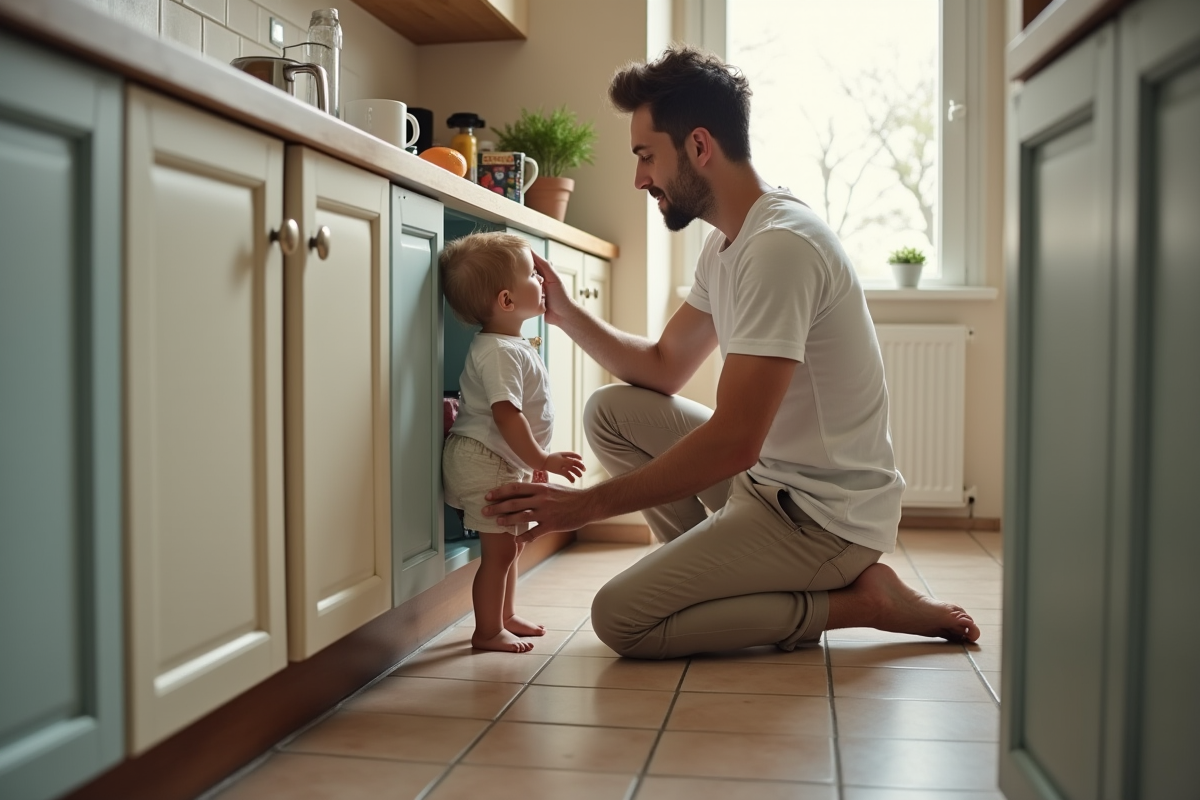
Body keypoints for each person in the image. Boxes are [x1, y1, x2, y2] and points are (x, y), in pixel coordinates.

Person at [480, 46, 980, 658]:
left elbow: (736, 440)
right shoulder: (727, 246)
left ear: (698, 147)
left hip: (821, 519)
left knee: (622, 618)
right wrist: (563, 312)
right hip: (768, 487)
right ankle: (723, 586)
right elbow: (664, 366)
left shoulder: (780, 249)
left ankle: (859, 601)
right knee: (612, 412)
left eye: (646, 156)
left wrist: (587, 505)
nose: (640, 179)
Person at [440, 232, 586, 653]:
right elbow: (507, 415)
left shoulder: (508, 344)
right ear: (506, 301)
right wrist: (542, 457)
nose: (542, 280)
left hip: (502, 459)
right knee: (500, 553)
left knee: (511, 546)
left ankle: (503, 617)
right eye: (533, 275)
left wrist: (529, 465)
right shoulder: (500, 352)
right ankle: (486, 632)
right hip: (485, 461)